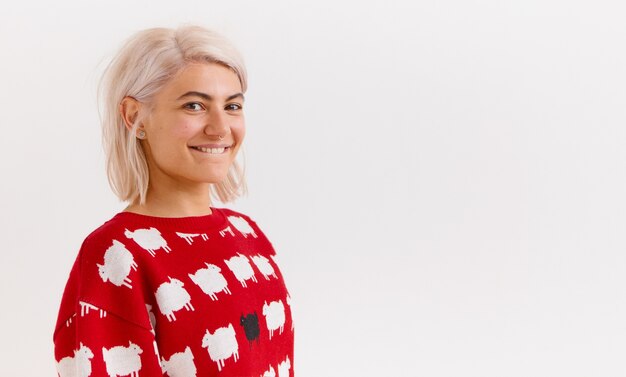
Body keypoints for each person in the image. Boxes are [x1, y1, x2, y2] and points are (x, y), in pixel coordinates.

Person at [53, 25, 294, 377]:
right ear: (134, 117)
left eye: (232, 106)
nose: (219, 126)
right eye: (194, 105)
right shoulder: (117, 254)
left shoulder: (248, 236)